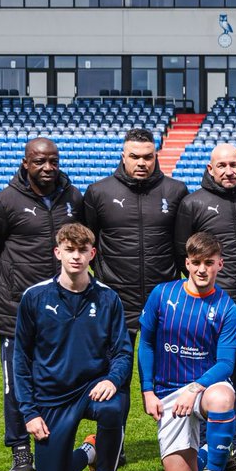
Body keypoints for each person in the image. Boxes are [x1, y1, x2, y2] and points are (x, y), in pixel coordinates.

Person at [0, 137, 84, 471]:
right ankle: (20, 449)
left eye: (53, 161)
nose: (47, 168)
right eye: (39, 161)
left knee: (59, 376)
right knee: (17, 382)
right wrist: (15, 284)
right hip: (16, 310)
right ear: (25, 163)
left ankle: (55, 440)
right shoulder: (4, 202)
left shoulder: (73, 198)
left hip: (62, 308)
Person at [83, 127, 189, 449]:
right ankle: (112, 444)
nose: (141, 163)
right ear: (123, 156)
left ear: (156, 156)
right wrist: (105, 280)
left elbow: (181, 247)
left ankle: (179, 443)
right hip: (116, 303)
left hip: (164, 303)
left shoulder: (176, 191)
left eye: (147, 157)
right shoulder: (98, 192)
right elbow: (89, 244)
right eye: (134, 157)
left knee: (176, 372)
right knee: (117, 376)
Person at [13, 223, 132, 471]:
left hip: (92, 388)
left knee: (114, 407)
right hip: (52, 396)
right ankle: (90, 451)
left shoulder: (107, 298)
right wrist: (29, 413)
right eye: (69, 250)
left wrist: (112, 380)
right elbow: (21, 359)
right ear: (58, 253)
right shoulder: (35, 297)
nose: (76, 256)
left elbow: (123, 352)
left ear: (93, 254)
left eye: (82, 250)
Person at [174, 143, 236, 471]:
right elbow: (180, 256)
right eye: (221, 166)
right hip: (210, 308)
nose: (228, 171)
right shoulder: (193, 203)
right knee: (206, 376)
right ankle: (204, 445)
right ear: (210, 169)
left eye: (234, 165)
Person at [137, 232, 236, 471]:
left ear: (220, 264)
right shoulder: (162, 294)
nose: (202, 269)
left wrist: (193, 389)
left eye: (209, 262)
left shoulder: (226, 307)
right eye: (196, 262)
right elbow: (145, 343)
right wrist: (147, 390)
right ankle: (211, 451)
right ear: (187, 263)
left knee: (222, 399)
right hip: (168, 391)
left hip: (204, 389)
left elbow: (226, 364)